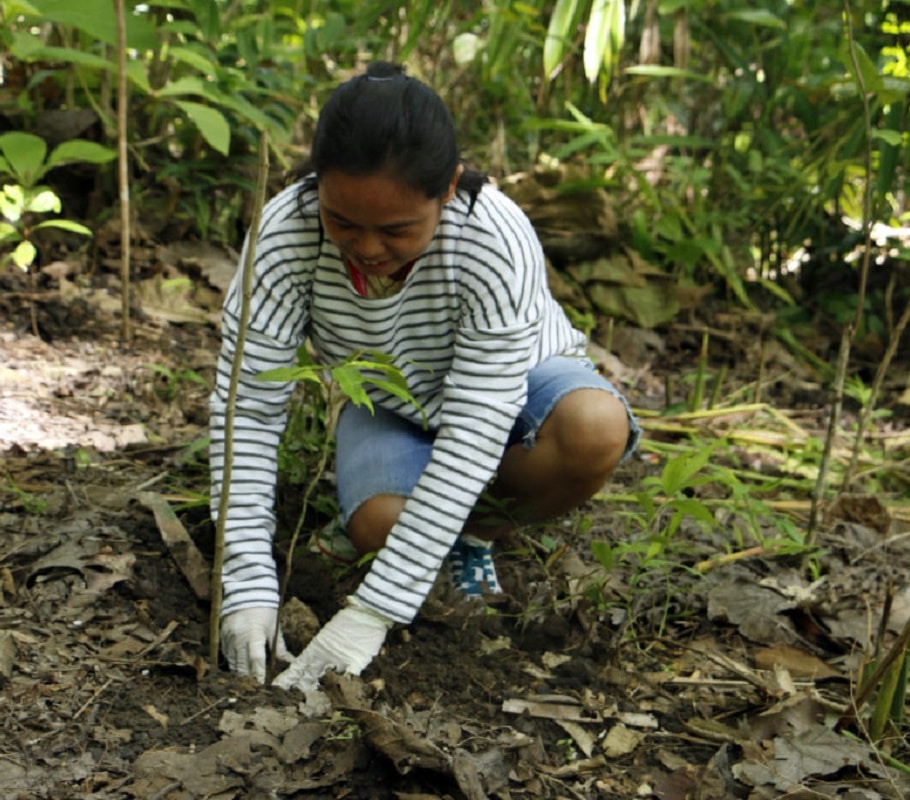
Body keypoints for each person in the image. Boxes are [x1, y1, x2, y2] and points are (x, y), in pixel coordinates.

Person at [209, 61, 641, 692]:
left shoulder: (493, 234)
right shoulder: (286, 231)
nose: (367, 247)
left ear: (448, 190)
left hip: (519, 387)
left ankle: (474, 535)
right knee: (376, 526)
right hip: (390, 400)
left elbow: (475, 426)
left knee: (594, 430)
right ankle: (438, 533)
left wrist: (374, 610)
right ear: (315, 185)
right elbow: (248, 407)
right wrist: (246, 585)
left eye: (396, 229)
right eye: (343, 221)